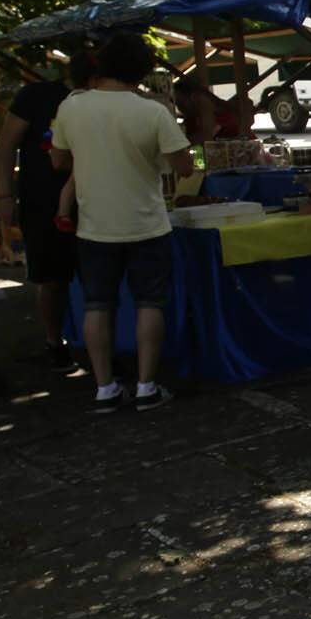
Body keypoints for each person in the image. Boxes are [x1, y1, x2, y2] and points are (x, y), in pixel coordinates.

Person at [50, 33, 195, 412]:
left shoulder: (72, 107)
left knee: (97, 305)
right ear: (143, 72)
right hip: (147, 222)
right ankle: (147, 385)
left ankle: (104, 388)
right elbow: (185, 166)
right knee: (150, 303)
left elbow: (58, 161)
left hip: (95, 226)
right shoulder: (152, 111)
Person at [0, 51, 92, 369]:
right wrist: (5, 195)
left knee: (95, 277)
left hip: (94, 200)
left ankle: (99, 346)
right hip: (41, 201)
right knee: (51, 278)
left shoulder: (102, 101)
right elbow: (6, 146)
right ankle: (54, 340)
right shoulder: (36, 95)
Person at [173, 72, 255, 144]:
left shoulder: (225, 112)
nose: (179, 107)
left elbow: (203, 137)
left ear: (194, 97)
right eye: (177, 103)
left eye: (181, 102)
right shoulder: (191, 120)